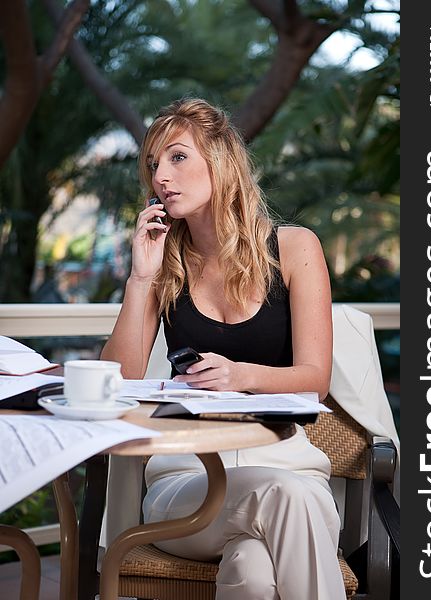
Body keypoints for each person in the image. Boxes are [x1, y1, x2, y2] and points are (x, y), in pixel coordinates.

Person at [101, 97, 346, 600]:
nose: (160, 177)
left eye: (177, 157)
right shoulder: (164, 265)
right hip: (188, 479)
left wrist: (241, 375)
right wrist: (141, 277)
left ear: (221, 161)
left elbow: (315, 380)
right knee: (282, 500)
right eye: (152, 165)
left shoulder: (296, 249)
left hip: (289, 465)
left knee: (253, 573)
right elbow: (114, 382)